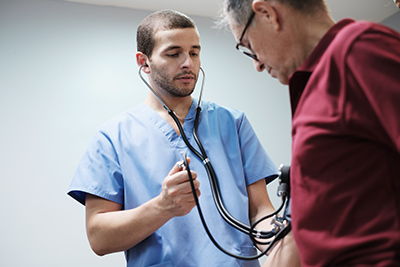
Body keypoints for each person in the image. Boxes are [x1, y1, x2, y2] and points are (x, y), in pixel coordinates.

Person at [68, 9, 280, 267]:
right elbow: (99, 237)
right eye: (173, 53)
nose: (188, 63)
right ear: (143, 62)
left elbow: (260, 210)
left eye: (194, 52)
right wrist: (163, 206)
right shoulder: (112, 137)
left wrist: (282, 244)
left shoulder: (233, 123)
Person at [219, 0, 400, 266]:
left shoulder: (360, 48)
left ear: (268, 13)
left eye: (248, 47)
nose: (256, 64)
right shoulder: (315, 88)